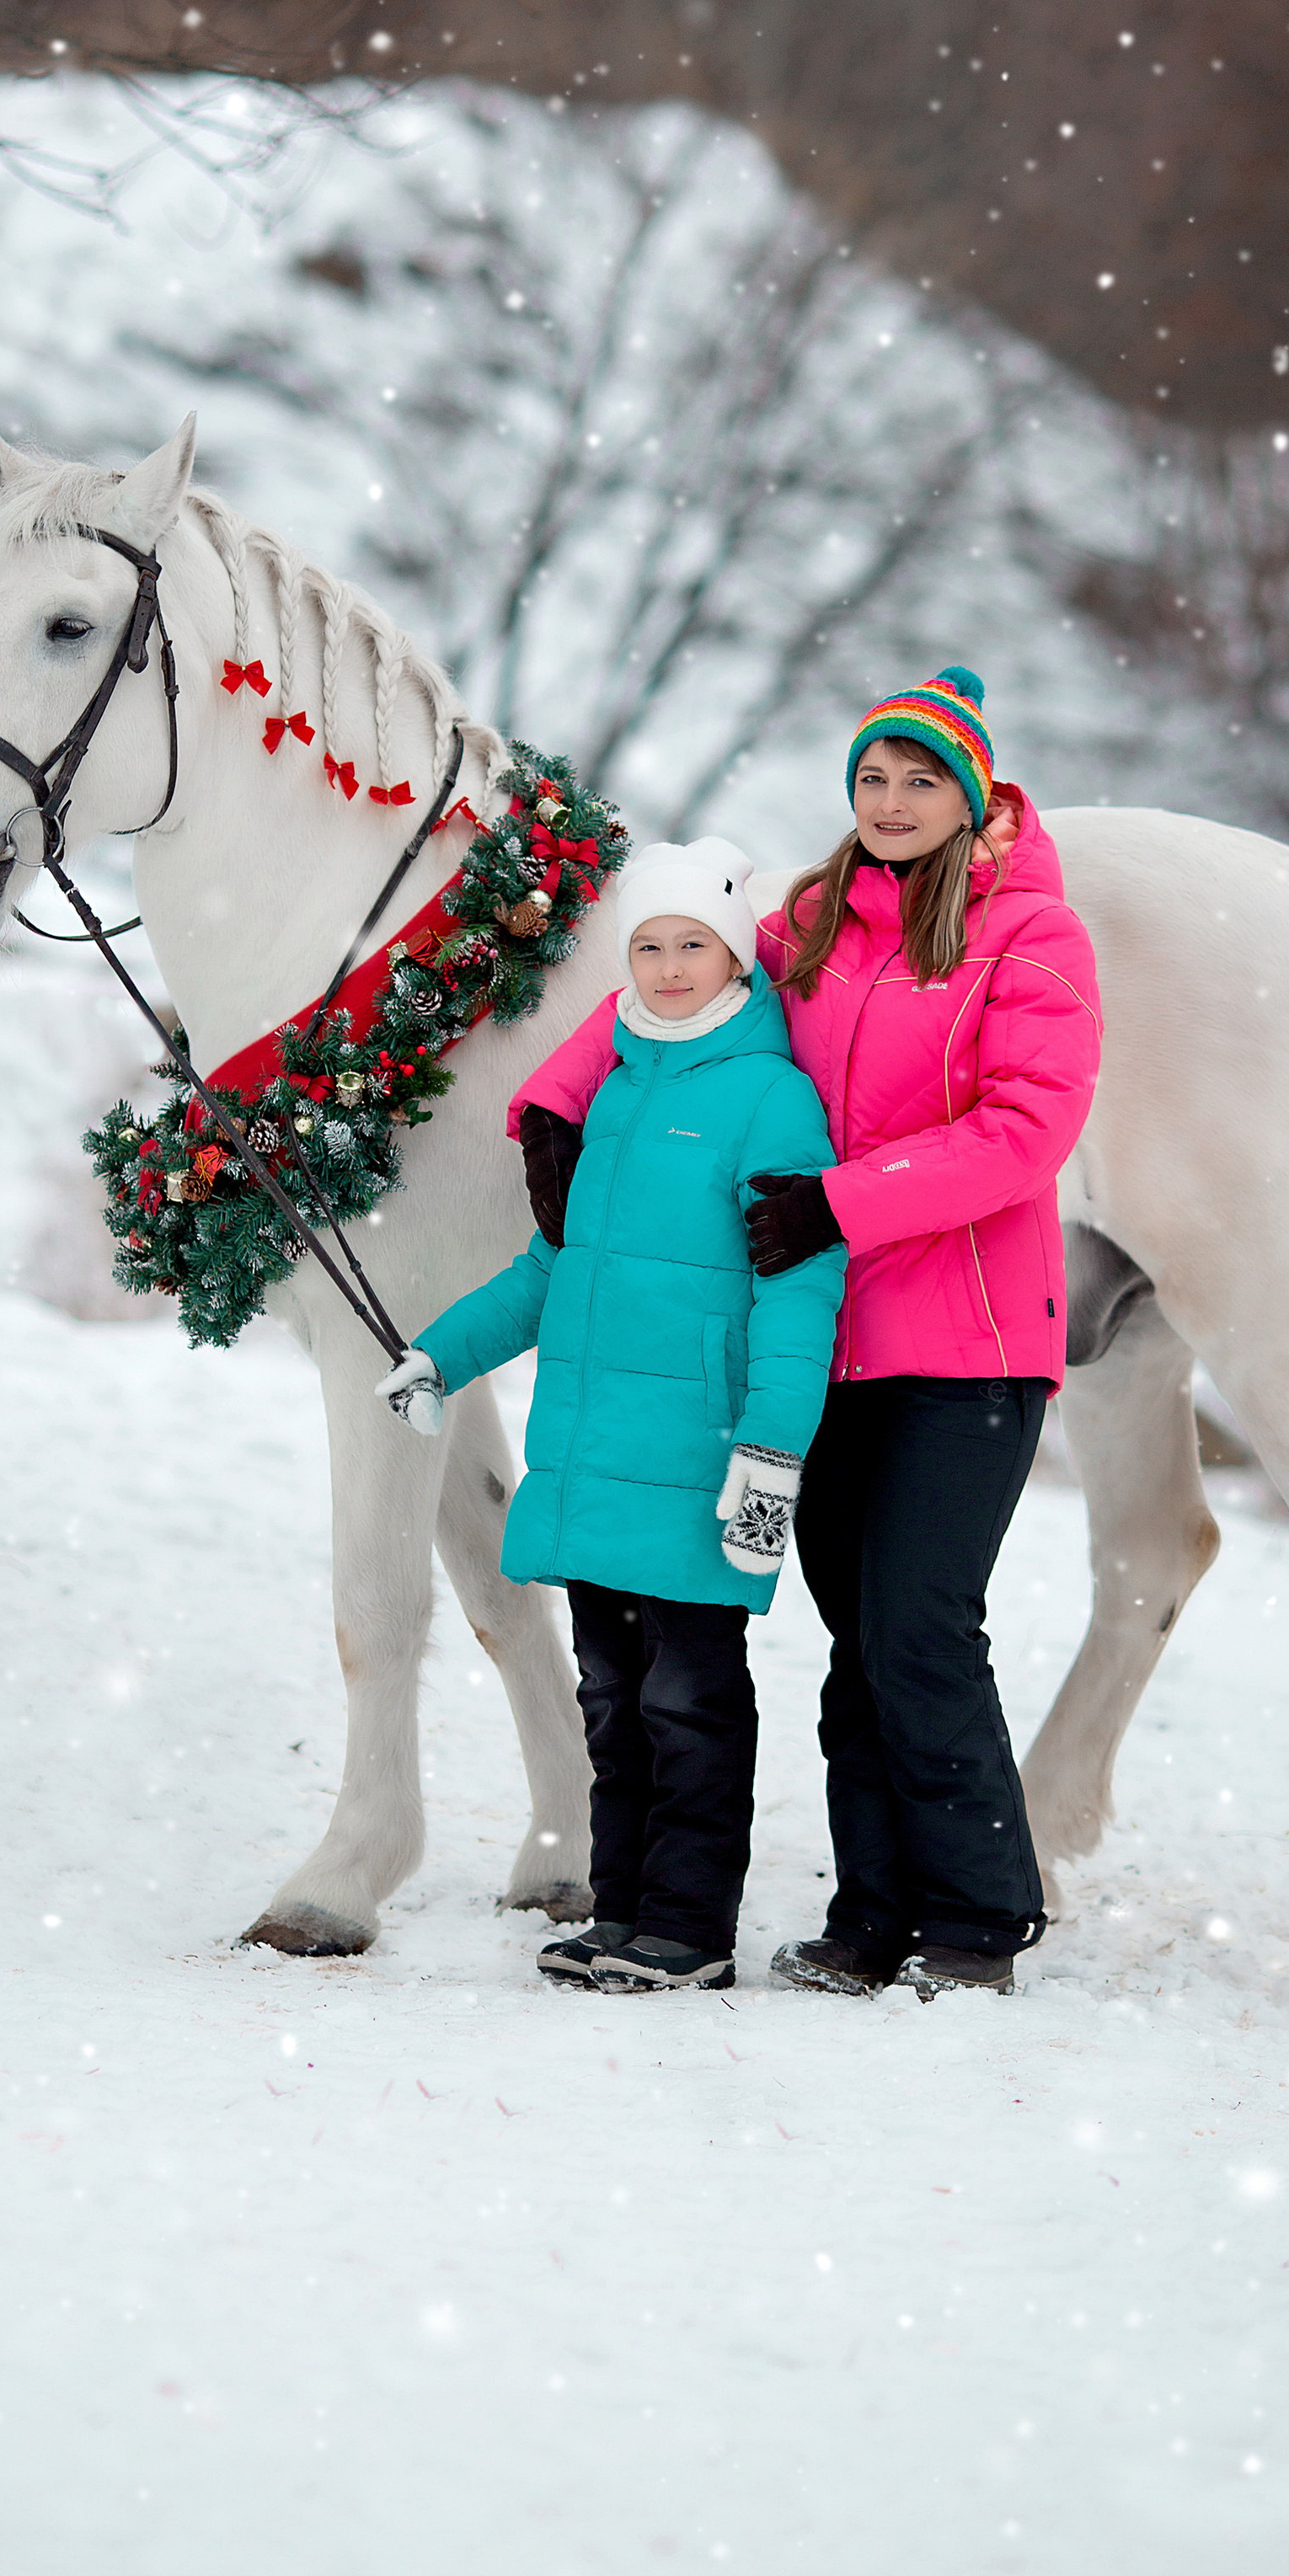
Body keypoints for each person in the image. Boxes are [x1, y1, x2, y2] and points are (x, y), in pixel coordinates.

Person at [501, 670, 1102, 2000]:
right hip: (830, 1345)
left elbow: (1026, 1133)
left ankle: (977, 1922)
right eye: (873, 780)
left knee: (920, 1631)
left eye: (921, 782)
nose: (892, 804)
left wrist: (839, 1201)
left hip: (972, 1345)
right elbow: (678, 990)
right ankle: (872, 1917)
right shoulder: (808, 926)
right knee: (855, 1646)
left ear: (971, 794)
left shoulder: (1033, 937)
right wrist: (555, 1102)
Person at [375, 840, 845, 1991]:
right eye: (649, 946)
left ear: (735, 955)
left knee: (689, 1701)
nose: (671, 967)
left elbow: (801, 1290)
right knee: (613, 1701)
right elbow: (551, 1270)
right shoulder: (619, 1092)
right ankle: (624, 1912)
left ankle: (688, 1932)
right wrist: (438, 1355)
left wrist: (771, 1455)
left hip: (700, 1465)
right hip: (591, 1458)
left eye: (693, 945)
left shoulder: (773, 1100)